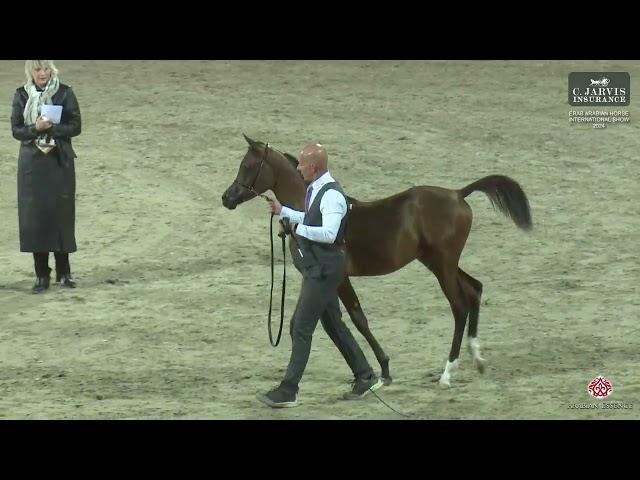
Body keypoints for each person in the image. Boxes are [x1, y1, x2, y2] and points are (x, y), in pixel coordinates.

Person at [258, 143, 383, 408]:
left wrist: (296, 228)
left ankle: (289, 390)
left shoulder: (332, 196)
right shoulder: (317, 189)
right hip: (320, 266)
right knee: (333, 324)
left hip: (325, 269)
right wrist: (285, 212)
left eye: (301, 164)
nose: (299, 168)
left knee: (300, 326)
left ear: (313, 167)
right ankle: (365, 375)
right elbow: (312, 218)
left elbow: (328, 233)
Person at [10, 60, 82, 293]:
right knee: (35, 219)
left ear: (53, 70)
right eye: (38, 69)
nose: (43, 73)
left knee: (61, 216)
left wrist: (51, 128)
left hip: (59, 162)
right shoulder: (21, 95)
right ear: (30, 72)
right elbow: (17, 130)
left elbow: (76, 126)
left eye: (46, 69)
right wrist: (35, 129)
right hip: (32, 165)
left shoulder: (65, 92)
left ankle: (65, 271)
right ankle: (42, 274)